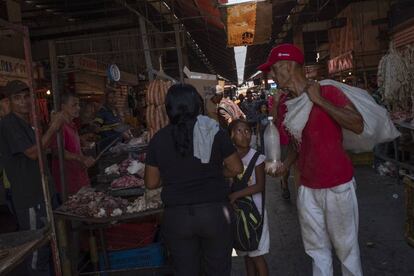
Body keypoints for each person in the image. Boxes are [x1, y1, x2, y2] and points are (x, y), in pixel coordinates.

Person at [258, 44, 364, 276]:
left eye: (274, 70)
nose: (272, 76)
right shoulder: (286, 104)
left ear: (287, 66)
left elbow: (357, 123)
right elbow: (298, 144)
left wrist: (320, 101)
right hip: (307, 188)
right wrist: (285, 166)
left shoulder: (327, 92)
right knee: (316, 250)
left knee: (347, 250)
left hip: (337, 185)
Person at [144, 84, 243, 276]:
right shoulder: (213, 131)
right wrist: (215, 172)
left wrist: (174, 177)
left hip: (178, 218)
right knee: (218, 270)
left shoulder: (159, 139)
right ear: (197, 106)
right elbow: (236, 168)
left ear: (169, 109)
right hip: (215, 214)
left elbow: (151, 182)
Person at [0, 80, 67, 275]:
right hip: (29, 197)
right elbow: (32, 153)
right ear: (9, 102)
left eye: (26, 96)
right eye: (17, 98)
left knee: (48, 246)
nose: (24, 102)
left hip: (43, 192)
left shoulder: (29, 123)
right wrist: (53, 128)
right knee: (37, 252)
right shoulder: (8, 124)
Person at [228, 119, 269, 276]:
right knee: (247, 254)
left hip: (256, 214)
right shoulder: (230, 158)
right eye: (239, 131)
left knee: (257, 255)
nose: (244, 135)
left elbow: (260, 186)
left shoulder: (256, 157)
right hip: (240, 214)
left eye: (247, 131)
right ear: (231, 136)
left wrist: (235, 195)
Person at [52, 93, 95, 197]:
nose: (78, 108)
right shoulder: (59, 126)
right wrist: (80, 158)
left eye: (78, 105)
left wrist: (81, 142)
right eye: (74, 105)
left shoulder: (72, 124)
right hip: (69, 182)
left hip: (80, 178)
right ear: (63, 107)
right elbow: (57, 151)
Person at [270, 89, 292, 200]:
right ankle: (284, 183)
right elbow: (272, 118)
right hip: (284, 138)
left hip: (299, 137)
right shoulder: (274, 97)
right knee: (285, 165)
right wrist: (276, 102)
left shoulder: (296, 93)